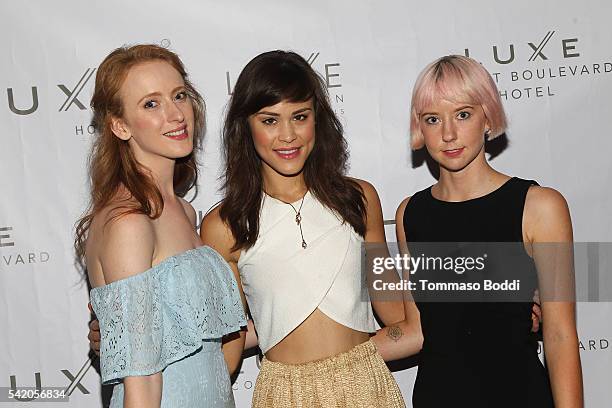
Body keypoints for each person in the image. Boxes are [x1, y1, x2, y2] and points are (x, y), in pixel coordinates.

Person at [198, 50, 421, 407]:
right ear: (246, 126)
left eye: (299, 117)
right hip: (283, 394)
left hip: (366, 384)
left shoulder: (359, 200)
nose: (288, 135)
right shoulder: (223, 227)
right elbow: (229, 341)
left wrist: (506, 287)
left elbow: (396, 312)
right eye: (270, 120)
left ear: (317, 119)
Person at [396, 55, 583, 407]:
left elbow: (559, 335)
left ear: (487, 116)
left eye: (462, 114)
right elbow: (417, 329)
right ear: (420, 127)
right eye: (433, 119)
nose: (448, 134)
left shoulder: (539, 207)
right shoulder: (411, 214)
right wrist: (322, 355)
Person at [76, 44, 246, 407]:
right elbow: (143, 380)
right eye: (151, 104)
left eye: (179, 95)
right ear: (120, 126)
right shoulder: (129, 223)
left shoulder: (183, 212)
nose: (175, 114)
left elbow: (203, 340)